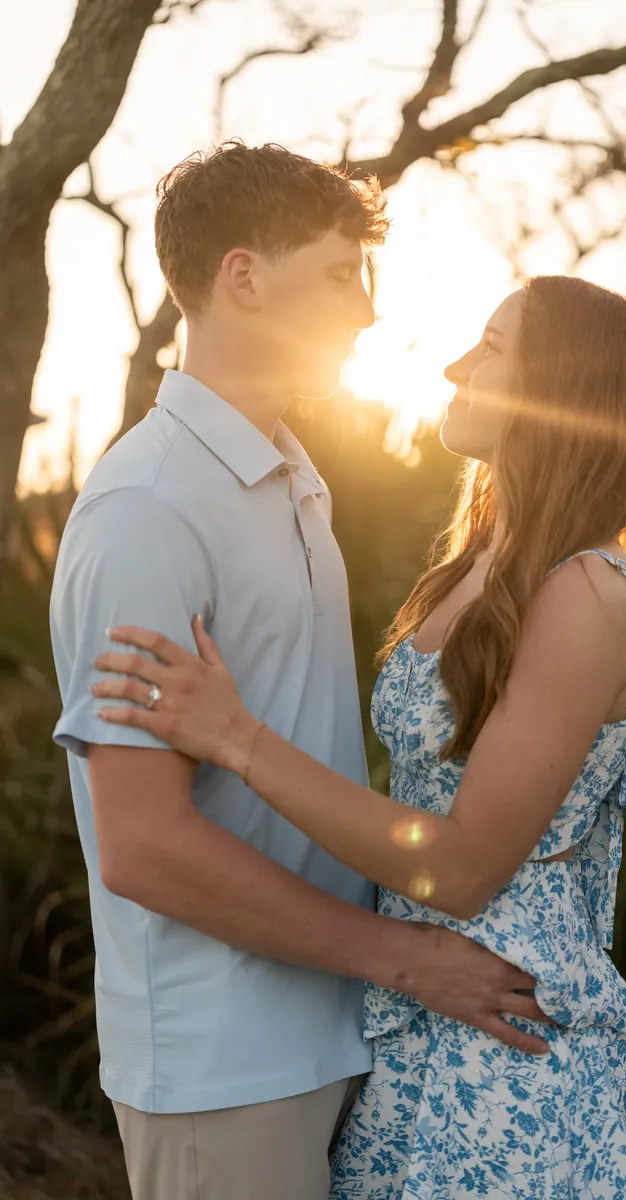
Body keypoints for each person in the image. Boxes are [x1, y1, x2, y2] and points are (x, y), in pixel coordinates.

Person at [92, 274, 626, 1197]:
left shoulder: (584, 592)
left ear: (559, 386)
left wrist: (238, 740)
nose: (457, 365)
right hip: (421, 1019)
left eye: (491, 348)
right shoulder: (487, 562)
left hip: (503, 1040)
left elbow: (459, 869)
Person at [49, 141, 551, 1200]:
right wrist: (402, 956)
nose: (364, 311)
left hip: (332, 1033)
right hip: (221, 1065)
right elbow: (142, 847)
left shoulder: (288, 478)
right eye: (338, 275)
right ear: (243, 276)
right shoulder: (148, 508)